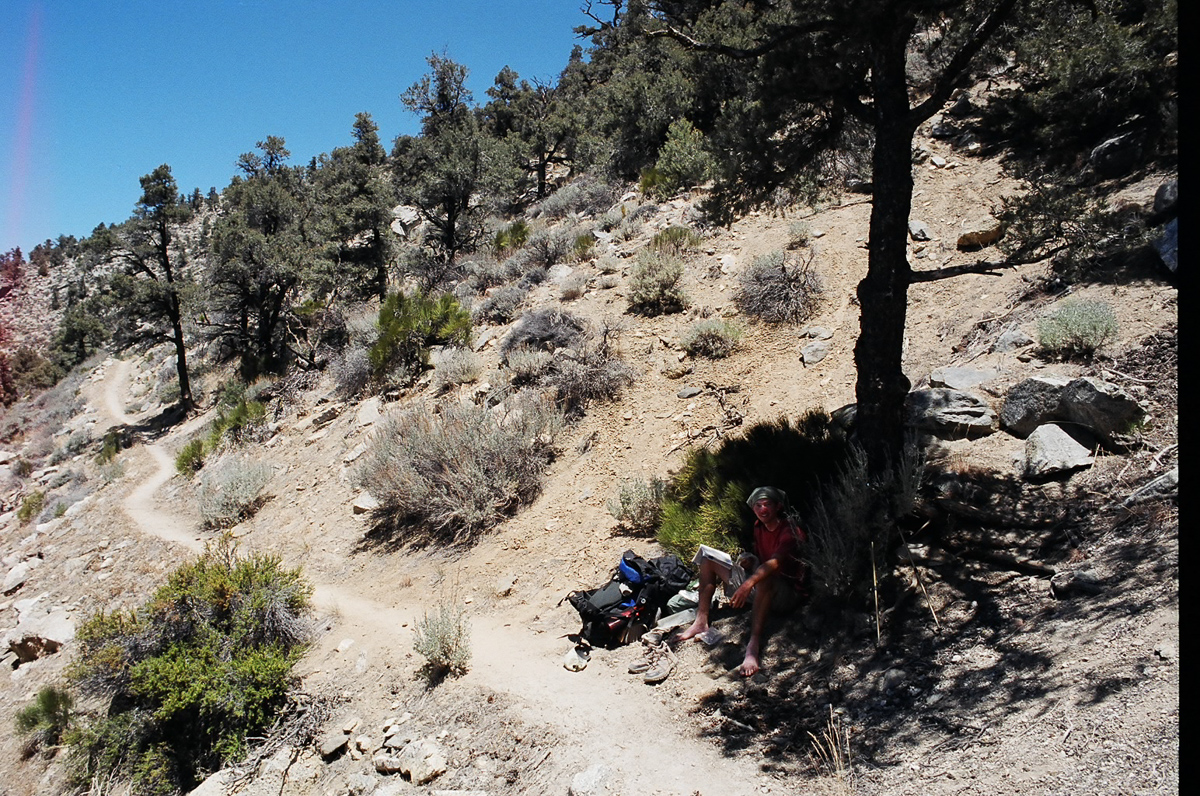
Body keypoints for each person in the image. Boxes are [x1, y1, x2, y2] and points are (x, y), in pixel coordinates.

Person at [677, 486, 807, 677]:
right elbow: (762, 560)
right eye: (758, 505)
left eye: (767, 505)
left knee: (764, 580)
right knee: (707, 560)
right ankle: (701, 620)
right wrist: (750, 561)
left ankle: (753, 648)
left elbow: (775, 562)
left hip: (788, 594)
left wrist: (747, 584)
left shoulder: (790, 530)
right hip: (764, 585)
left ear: (778, 506)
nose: (762, 510)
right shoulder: (759, 528)